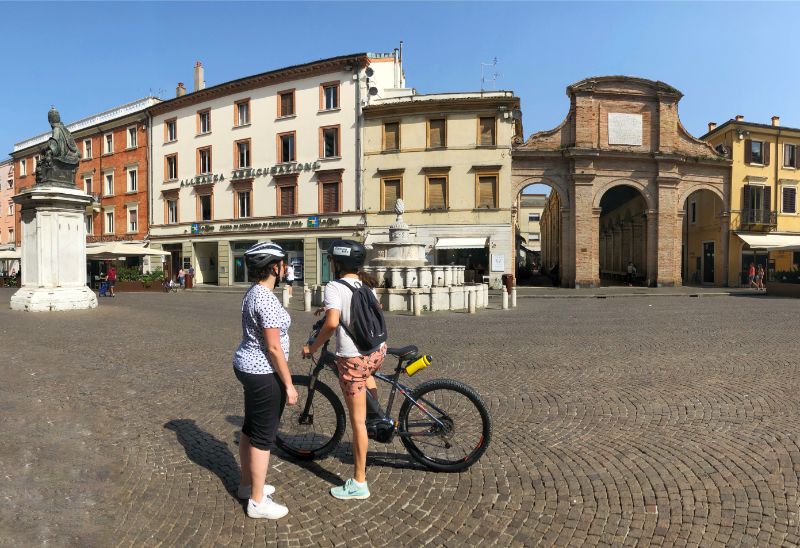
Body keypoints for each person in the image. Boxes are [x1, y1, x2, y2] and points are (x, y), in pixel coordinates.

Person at [302, 240, 386, 500]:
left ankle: (359, 482)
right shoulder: (365, 285)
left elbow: (332, 324)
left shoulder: (334, 286)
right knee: (367, 376)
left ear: (337, 263)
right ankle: (377, 415)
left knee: (357, 422)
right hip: (377, 350)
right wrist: (328, 310)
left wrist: (313, 348)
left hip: (353, 359)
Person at [232, 241, 298, 520]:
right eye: (282, 264)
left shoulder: (253, 293)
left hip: (247, 366)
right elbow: (273, 348)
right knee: (262, 437)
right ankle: (258, 502)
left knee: (250, 428)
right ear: (274, 267)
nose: (285, 268)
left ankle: (248, 485)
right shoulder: (267, 299)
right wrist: (289, 384)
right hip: (263, 372)